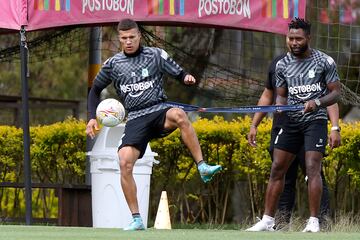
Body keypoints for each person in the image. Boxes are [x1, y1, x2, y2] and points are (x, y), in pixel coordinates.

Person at [86, 19, 222, 231]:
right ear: (119, 39)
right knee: (124, 162)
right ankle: (137, 219)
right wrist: (92, 117)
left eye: (132, 37)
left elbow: (179, 72)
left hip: (159, 111)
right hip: (136, 118)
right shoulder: (113, 64)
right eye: (124, 38)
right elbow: (94, 91)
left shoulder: (156, 55)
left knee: (179, 114)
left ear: (139, 35)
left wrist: (186, 77)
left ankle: (202, 166)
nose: (128, 41)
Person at [246, 18, 341, 233]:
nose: (294, 42)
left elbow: (335, 92)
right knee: (277, 168)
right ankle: (268, 221)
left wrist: (317, 104)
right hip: (290, 123)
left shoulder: (325, 62)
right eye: (291, 38)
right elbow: (280, 96)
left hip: (314, 122)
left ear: (308, 38)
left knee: (312, 167)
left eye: (298, 38)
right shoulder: (281, 65)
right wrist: (280, 107)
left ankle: (314, 222)